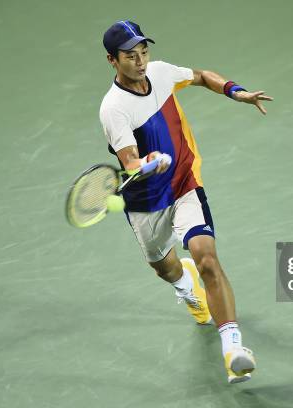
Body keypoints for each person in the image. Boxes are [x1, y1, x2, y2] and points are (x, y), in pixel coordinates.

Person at [99, 20, 273, 384]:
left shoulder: (161, 73)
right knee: (165, 268)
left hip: (184, 183)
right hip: (147, 202)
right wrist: (145, 163)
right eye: (130, 56)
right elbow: (129, 161)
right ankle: (185, 288)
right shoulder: (113, 108)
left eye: (143, 51)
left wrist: (234, 91)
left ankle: (234, 350)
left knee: (207, 257)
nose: (141, 61)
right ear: (112, 61)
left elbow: (200, 76)